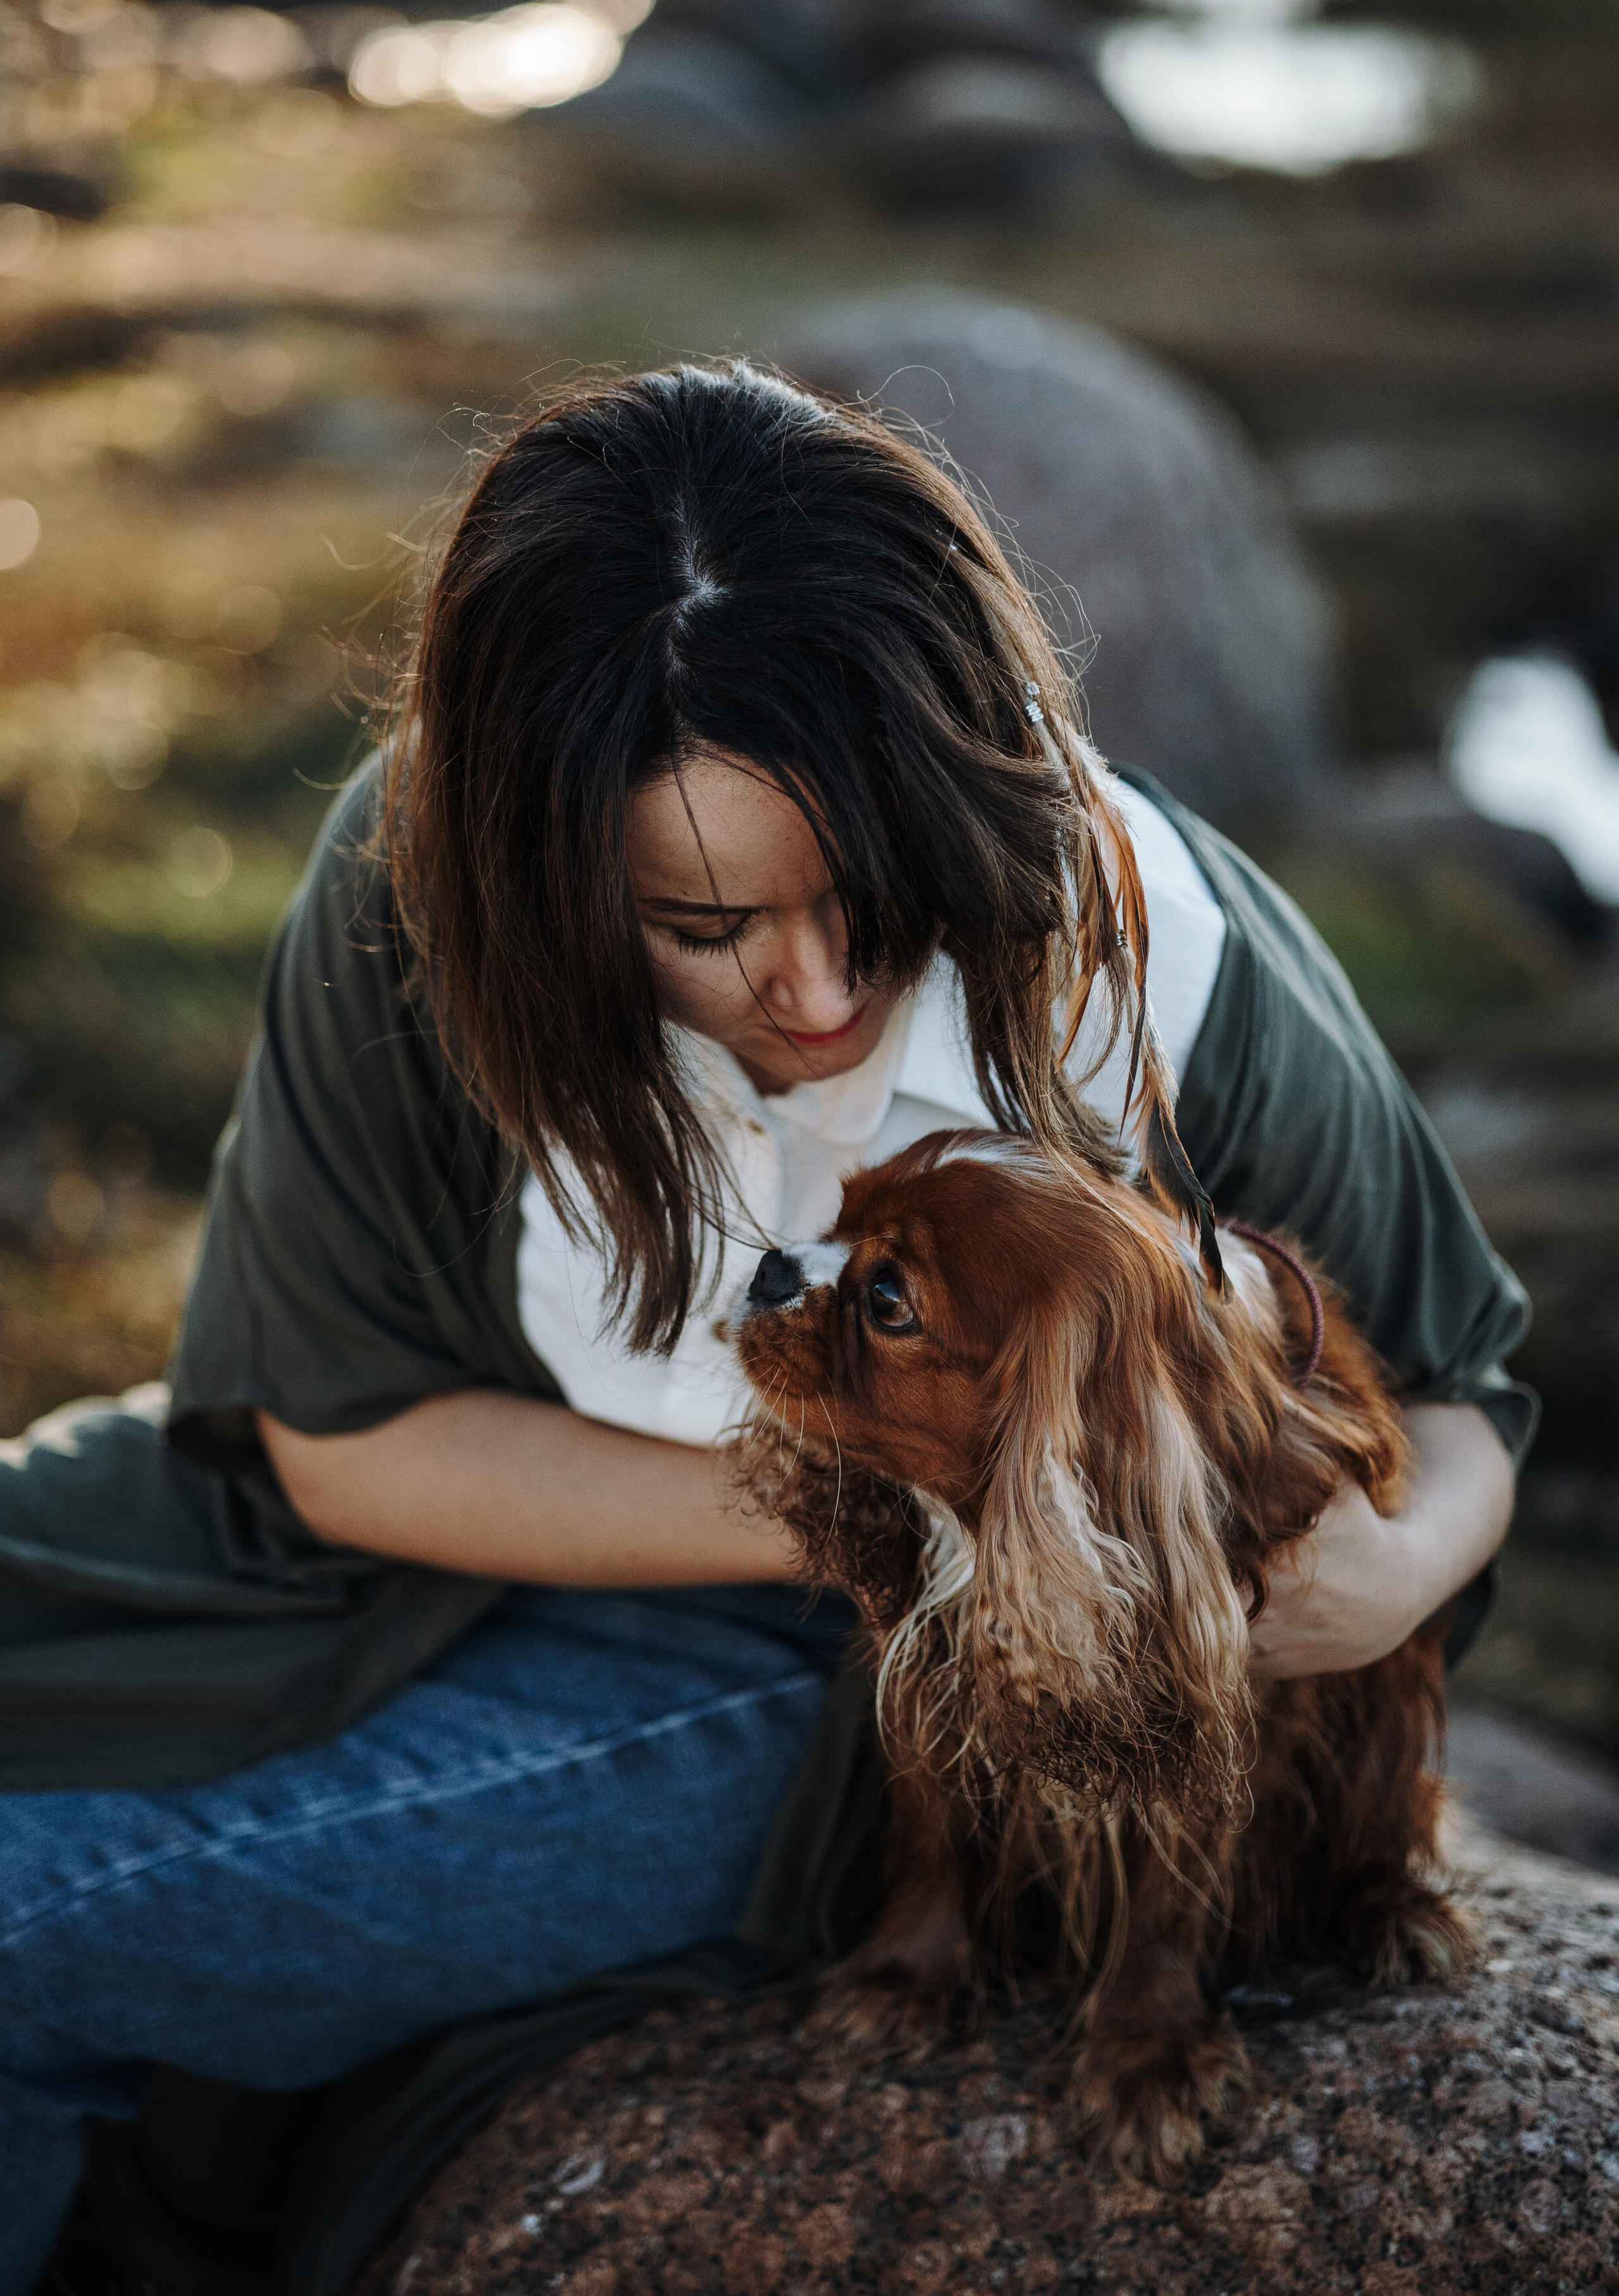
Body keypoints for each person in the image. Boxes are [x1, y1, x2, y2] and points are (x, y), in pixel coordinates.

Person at [0, 364, 1530, 2290]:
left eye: (867, 898)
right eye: (701, 930)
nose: (808, 990)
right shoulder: (423, 895)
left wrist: (1385, 1574)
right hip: (348, 1571)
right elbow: (337, 1435)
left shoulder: (1164, 958)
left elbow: (1462, 1391)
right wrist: (926, 1482)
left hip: (838, 1700)